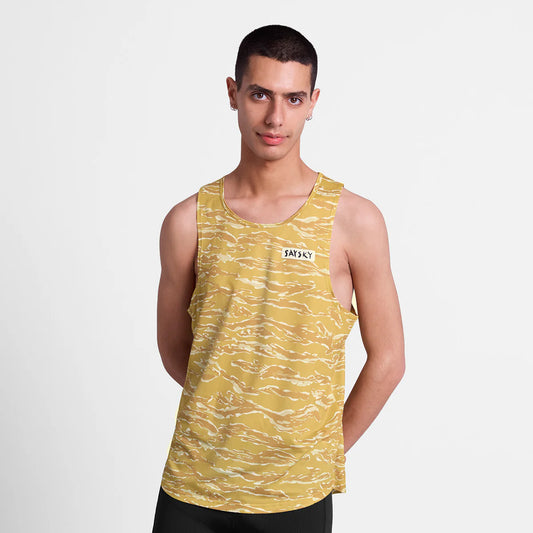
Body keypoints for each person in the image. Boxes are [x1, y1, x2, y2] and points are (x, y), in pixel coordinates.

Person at [152, 24, 405, 533]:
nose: (275, 118)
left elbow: (389, 359)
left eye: (293, 99)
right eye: (260, 94)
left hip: (296, 495)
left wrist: (321, 450)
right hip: (194, 486)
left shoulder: (353, 220)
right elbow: (179, 352)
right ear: (233, 93)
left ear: (313, 103)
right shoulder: (188, 221)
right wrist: (232, 407)